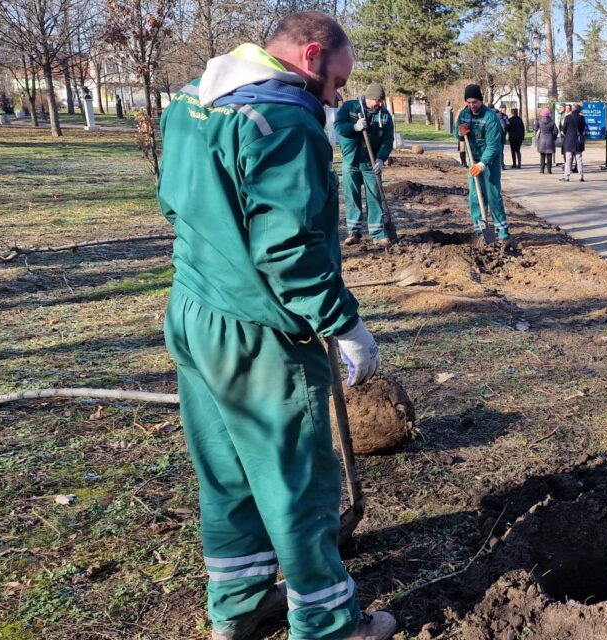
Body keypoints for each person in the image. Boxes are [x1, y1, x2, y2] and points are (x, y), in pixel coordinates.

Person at [157, 12, 396, 640]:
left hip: (193, 311)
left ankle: (237, 606)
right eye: (336, 80)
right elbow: (288, 248)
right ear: (311, 56)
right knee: (298, 480)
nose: (336, 96)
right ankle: (327, 623)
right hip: (259, 332)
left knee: (226, 469)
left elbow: (172, 201)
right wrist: (344, 322)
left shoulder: (191, 98)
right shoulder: (285, 119)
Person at [334, 82, 395, 246]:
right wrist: (354, 127)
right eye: (377, 100)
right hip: (351, 160)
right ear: (368, 98)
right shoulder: (350, 107)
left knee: (374, 196)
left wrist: (381, 158)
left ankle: (377, 233)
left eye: (382, 101)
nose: (380, 104)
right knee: (352, 197)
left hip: (371, 162)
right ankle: (354, 232)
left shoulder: (384, 115)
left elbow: (388, 140)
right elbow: (338, 126)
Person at [456, 84, 510, 240]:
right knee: (475, 197)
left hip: (489, 163)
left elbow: (494, 146)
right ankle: (480, 231)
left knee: (493, 195)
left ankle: (502, 231)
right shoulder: (464, 114)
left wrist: (482, 164)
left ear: (481, 100)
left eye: (475, 102)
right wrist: (460, 133)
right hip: (474, 161)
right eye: (469, 102)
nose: (472, 105)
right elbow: (457, 134)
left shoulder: (490, 117)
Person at [560, 103, 586, 182]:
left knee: (568, 159)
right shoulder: (582, 118)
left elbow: (564, 129)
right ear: (579, 110)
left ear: (572, 109)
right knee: (579, 159)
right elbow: (582, 129)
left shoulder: (567, 117)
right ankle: (581, 176)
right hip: (578, 141)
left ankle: (566, 177)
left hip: (569, 141)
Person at [534, 107, 558, 174]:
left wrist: (536, 124)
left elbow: (535, 128)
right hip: (550, 139)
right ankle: (549, 170)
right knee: (549, 156)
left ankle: (542, 170)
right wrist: (554, 137)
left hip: (542, 139)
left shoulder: (539, 121)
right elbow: (556, 131)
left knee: (542, 156)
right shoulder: (552, 122)